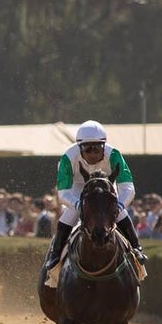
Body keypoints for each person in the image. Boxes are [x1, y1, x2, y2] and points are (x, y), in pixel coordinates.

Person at [43, 120, 147, 285]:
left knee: (118, 211)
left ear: (104, 146)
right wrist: (80, 205)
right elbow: (63, 193)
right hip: (77, 187)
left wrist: (118, 206)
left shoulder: (114, 155)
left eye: (97, 148)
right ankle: (55, 255)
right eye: (87, 148)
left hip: (104, 184)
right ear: (79, 147)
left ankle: (136, 249)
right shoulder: (67, 158)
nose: (92, 153)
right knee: (71, 213)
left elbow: (128, 188)